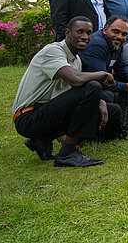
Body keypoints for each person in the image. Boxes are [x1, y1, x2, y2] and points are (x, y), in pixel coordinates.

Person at [13, 17, 117, 167]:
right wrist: (103, 74)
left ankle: (41, 140)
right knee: (93, 87)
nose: (85, 37)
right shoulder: (53, 51)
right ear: (67, 33)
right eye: (79, 32)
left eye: (89, 33)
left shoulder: (76, 60)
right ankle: (68, 152)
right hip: (28, 117)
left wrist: (99, 101)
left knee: (109, 109)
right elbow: (76, 80)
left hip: (45, 112)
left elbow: (75, 95)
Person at [79, 15, 128, 139]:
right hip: (83, 87)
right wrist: (126, 86)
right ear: (105, 30)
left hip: (98, 83)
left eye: (124, 34)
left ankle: (121, 129)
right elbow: (101, 80)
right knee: (109, 95)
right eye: (115, 31)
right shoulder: (97, 45)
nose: (119, 36)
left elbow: (122, 66)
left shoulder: (117, 44)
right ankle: (94, 133)